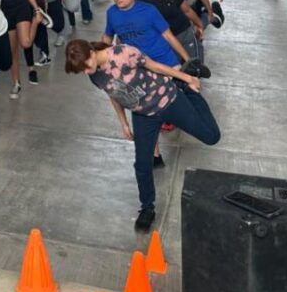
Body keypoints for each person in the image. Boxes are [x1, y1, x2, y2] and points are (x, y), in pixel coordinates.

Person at [65, 38, 219, 231]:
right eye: (82, 70)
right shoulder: (95, 75)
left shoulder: (123, 53)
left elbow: (155, 66)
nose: (86, 72)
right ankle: (147, 208)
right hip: (143, 115)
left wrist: (188, 79)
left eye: (86, 66)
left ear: (91, 52)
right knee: (142, 164)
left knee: (212, 137)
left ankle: (188, 91)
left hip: (168, 99)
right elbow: (114, 95)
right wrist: (123, 123)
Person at [137, 0, 205, 65]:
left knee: (195, 63)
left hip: (182, 32)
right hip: (161, 39)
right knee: (174, 66)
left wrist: (199, 25)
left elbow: (187, 11)